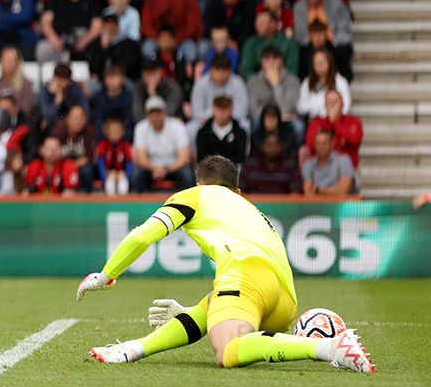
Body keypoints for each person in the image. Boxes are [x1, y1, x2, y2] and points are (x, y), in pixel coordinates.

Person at [77, 154, 374, 373]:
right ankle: (134, 348)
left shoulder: (193, 196)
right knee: (212, 302)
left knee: (228, 351)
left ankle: (331, 347)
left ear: (198, 183)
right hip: (283, 301)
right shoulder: (251, 209)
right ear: (238, 191)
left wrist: (106, 275)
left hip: (245, 276)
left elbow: (142, 236)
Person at [36, 0, 102, 64]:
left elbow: (97, 27)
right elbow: (45, 21)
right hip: (59, 42)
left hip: (83, 42)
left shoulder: (92, 2)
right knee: (42, 49)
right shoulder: (55, 0)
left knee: (96, 49)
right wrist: (52, 38)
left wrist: (85, 41)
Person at [131, 95, 195, 192]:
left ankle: (185, 204)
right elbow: (141, 158)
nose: (156, 116)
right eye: (152, 112)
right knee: (136, 175)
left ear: (165, 112)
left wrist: (166, 169)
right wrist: (155, 168)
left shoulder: (177, 126)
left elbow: (184, 157)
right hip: (150, 167)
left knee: (188, 175)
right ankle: (139, 205)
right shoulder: (141, 128)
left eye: (158, 112)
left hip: (173, 166)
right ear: (147, 114)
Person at [304, 90, 361, 168]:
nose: (332, 105)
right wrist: (341, 140)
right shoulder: (317, 122)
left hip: (347, 169)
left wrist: (335, 122)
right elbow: (310, 144)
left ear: (342, 104)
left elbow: (354, 140)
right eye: (329, 102)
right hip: (322, 168)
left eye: (335, 102)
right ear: (325, 105)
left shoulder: (353, 121)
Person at [247, 47, 301, 125]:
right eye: (267, 58)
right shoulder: (253, 81)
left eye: (275, 58)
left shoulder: (292, 80)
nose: (271, 61)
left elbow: (289, 108)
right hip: (261, 118)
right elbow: (252, 109)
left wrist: (276, 85)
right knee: (254, 122)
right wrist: (271, 116)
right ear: (261, 62)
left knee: (298, 125)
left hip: (286, 117)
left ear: (281, 61)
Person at [297, 49, 351, 119]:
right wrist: (320, 106)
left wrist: (329, 114)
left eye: (322, 62)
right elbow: (300, 107)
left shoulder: (340, 82)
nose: (320, 66)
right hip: (314, 121)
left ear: (330, 63)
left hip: (336, 121)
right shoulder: (307, 82)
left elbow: (346, 107)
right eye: (316, 63)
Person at [196, 96, 247, 166]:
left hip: (232, 170)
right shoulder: (203, 132)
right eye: (218, 109)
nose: (221, 113)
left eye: (225, 109)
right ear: (213, 109)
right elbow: (201, 157)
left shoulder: (240, 133)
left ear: (231, 110)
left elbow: (240, 157)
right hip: (209, 170)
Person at [302, 128, 356, 195]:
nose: (321, 147)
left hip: (340, 204)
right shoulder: (309, 164)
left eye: (324, 143)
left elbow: (344, 191)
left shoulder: (343, 161)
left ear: (332, 144)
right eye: (318, 144)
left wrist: (317, 190)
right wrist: (333, 191)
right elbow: (308, 191)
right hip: (317, 204)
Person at [96, 116, 133, 195]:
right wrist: (105, 176)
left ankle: (123, 200)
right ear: (106, 132)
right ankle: (111, 199)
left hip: (121, 174)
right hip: (108, 175)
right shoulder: (102, 145)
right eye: (112, 131)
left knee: (122, 179)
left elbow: (129, 163)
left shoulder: (125, 146)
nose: (115, 134)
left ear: (122, 131)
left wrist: (125, 174)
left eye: (117, 131)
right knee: (111, 177)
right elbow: (100, 163)